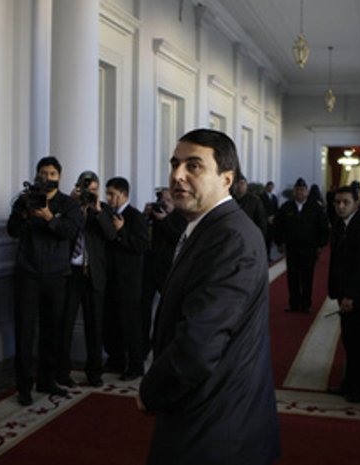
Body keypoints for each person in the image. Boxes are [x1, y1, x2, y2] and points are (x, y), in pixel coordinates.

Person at [139, 129, 280, 465]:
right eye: (175, 164)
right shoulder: (209, 229)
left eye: (194, 166)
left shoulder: (230, 238)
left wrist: (150, 391)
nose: (177, 175)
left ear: (226, 179)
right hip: (206, 409)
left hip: (215, 423)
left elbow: (199, 345)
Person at [7, 156, 83, 406]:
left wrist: (50, 217)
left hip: (56, 275)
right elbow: (12, 230)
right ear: (37, 175)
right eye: (43, 173)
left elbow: (69, 232)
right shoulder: (25, 200)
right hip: (27, 274)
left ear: (59, 177)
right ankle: (24, 385)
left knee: (52, 330)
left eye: (52, 173)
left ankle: (46, 379)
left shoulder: (69, 205)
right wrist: (24, 212)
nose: (47, 177)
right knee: (25, 331)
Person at [57, 171, 116, 388]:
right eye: (86, 190)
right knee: (65, 325)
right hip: (70, 273)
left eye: (93, 190)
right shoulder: (69, 207)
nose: (89, 194)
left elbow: (111, 235)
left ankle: (94, 373)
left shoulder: (104, 210)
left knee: (95, 326)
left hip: (94, 274)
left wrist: (97, 210)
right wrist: (73, 204)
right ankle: (62, 372)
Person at [327, 186, 360, 402]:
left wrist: (350, 296)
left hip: (359, 296)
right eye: (337, 202)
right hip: (344, 292)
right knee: (349, 341)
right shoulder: (340, 224)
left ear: (356, 203)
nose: (340, 206)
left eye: (345, 202)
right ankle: (350, 383)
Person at [104, 176, 150, 381]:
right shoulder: (108, 215)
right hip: (111, 277)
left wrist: (122, 231)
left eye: (112, 194)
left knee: (131, 324)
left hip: (130, 280)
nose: (109, 198)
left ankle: (136, 365)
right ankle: (116, 360)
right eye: (107, 194)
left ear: (123, 194)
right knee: (112, 322)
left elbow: (142, 245)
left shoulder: (136, 217)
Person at [140, 188, 187, 365]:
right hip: (149, 268)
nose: (163, 203)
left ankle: (165, 348)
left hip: (168, 270)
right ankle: (143, 348)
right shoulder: (154, 214)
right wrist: (145, 216)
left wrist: (165, 220)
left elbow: (178, 239)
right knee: (143, 311)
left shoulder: (180, 217)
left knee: (167, 311)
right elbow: (143, 235)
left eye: (167, 200)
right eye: (161, 199)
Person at [275, 177, 329, 312]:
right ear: (294, 191)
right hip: (292, 247)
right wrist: (279, 242)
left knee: (307, 276)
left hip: (309, 248)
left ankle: (306, 304)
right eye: (297, 189)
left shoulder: (315, 207)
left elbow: (323, 227)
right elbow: (278, 225)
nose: (300, 192)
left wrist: (320, 245)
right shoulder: (287, 207)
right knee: (292, 276)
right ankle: (294, 303)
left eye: (302, 190)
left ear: (307, 192)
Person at [260, 181, 279, 261]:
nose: (271, 188)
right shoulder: (261, 196)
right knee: (263, 240)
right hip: (264, 221)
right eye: (270, 187)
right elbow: (261, 208)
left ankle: (268, 256)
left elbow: (276, 208)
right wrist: (267, 217)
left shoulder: (274, 197)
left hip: (272, 222)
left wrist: (273, 217)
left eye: (272, 187)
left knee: (269, 240)